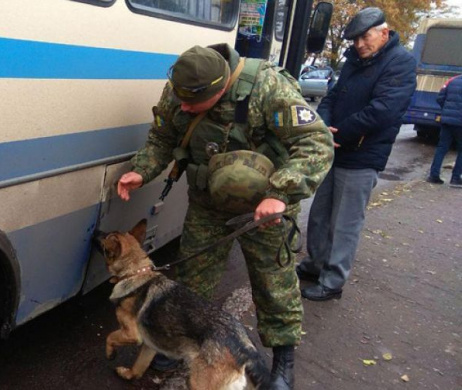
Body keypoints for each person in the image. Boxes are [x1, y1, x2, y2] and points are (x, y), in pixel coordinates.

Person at [116, 44, 333, 390]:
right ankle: (176, 345)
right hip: (209, 205)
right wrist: (142, 171)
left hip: (265, 210)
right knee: (190, 283)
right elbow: (162, 137)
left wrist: (281, 193)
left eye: (191, 103)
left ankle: (282, 362)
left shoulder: (267, 88)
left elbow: (316, 144)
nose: (183, 107)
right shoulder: (181, 89)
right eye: (180, 98)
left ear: (220, 89)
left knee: (273, 284)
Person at [297, 7, 417, 302]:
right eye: (355, 40)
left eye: (365, 37)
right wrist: (323, 126)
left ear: (383, 34)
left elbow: (384, 111)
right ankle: (315, 264)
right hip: (335, 149)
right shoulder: (353, 61)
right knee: (320, 214)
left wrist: (340, 132)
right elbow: (332, 97)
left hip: (363, 155)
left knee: (345, 223)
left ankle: (332, 281)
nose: (359, 44)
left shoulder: (400, 62)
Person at [427, 74, 462, 187]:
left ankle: (434, 175)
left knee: (442, 147)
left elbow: (440, 98)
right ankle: (455, 178)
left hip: (446, 120)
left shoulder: (452, 81)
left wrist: (446, 110)